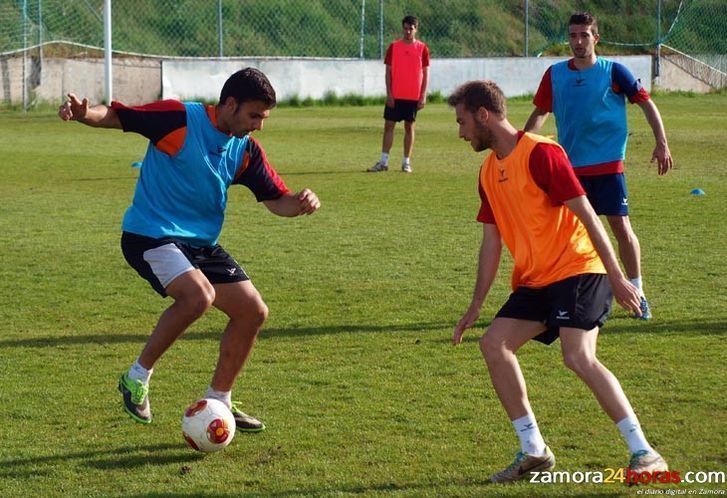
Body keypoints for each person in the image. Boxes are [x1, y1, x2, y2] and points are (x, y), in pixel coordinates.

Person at [58, 68, 320, 432]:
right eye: (254, 115)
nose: (259, 125)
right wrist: (86, 114)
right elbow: (120, 116)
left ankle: (219, 401)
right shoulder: (179, 119)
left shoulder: (244, 149)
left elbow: (277, 200)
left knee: (252, 312)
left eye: (263, 117)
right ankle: (136, 377)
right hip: (150, 235)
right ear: (230, 104)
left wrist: (302, 202)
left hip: (199, 245)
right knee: (199, 296)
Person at [448, 80, 668, 483]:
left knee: (577, 355)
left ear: (483, 115)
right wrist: (475, 306)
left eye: (462, 121)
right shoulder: (487, 171)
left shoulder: (541, 153)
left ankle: (645, 452)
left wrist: (617, 276)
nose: (460, 132)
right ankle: (534, 451)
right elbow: (491, 242)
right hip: (536, 280)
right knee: (494, 344)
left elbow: (587, 214)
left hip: (579, 267)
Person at [524, 11, 673, 320]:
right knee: (565, 234)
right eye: (573, 36)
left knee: (620, 228)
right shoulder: (555, 74)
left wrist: (662, 143)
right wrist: (522, 145)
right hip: (570, 169)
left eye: (584, 35)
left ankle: (637, 291)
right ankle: (563, 295)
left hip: (608, 167)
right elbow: (541, 111)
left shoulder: (614, 72)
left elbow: (646, 103)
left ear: (596, 38)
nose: (578, 42)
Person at [367, 15, 430, 174]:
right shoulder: (394, 47)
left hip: (412, 96)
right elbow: (388, 72)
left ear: (416, 29)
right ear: (402, 28)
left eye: (411, 28)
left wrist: (423, 95)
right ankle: (383, 161)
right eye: (406, 28)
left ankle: (406, 162)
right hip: (396, 95)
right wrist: (389, 93)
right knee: (389, 126)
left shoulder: (422, 48)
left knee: (410, 127)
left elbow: (426, 73)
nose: (408, 31)